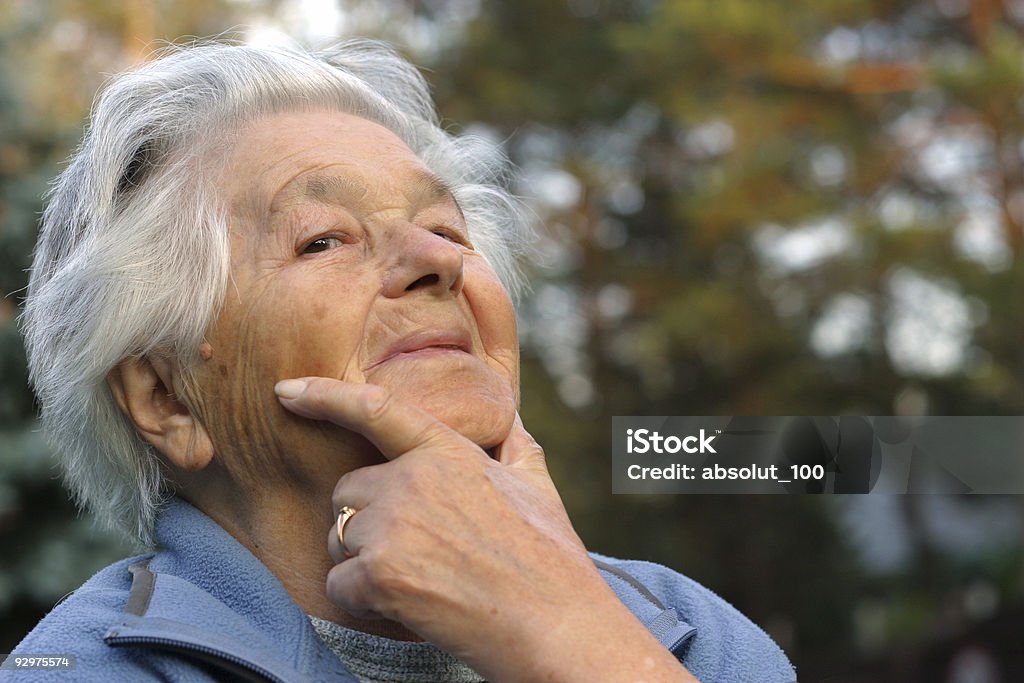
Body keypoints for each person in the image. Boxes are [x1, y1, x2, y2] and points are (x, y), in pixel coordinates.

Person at [9, 37, 796, 683]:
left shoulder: (693, 635)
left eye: (450, 230)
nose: (436, 260)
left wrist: (568, 632)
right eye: (323, 239)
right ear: (168, 397)